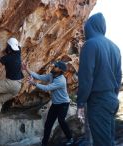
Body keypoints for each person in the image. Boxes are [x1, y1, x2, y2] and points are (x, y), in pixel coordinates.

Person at [77, 12, 122, 146]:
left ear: (90, 27)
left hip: (98, 101)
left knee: (102, 143)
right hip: (112, 100)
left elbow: (86, 77)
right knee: (108, 140)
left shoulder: (90, 45)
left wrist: (80, 103)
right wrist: (112, 96)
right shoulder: (115, 47)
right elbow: (118, 76)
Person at [23, 61, 73, 146]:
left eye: (56, 66)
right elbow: (39, 77)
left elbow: (47, 88)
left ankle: (70, 138)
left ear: (60, 70)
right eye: (55, 65)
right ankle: (44, 143)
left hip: (63, 104)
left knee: (61, 120)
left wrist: (34, 83)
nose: (54, 66)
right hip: (55, 104)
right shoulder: (51, 75)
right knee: (48, 124)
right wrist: (27, 69)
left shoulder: (61, 81)